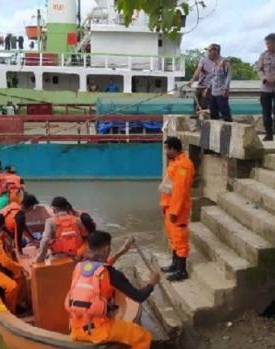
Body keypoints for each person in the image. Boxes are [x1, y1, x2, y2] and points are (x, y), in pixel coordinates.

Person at [65, 231, 159, 348]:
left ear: (88, 247)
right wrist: (152, 283)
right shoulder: (113, 275)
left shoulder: (79, 267)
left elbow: (99, 267)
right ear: (106, 249)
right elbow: (139, 297)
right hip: (97, 330)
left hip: (75, 327)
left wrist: (121, 252)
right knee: (144, 337)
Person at [159, 137, 195, 281]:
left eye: (167, 149)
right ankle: (175, 264)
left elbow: (180, 191)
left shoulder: (183, 166)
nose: (166, 151)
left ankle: (182, 270)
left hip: (177, 210)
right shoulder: (176, 162)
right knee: (173, 237)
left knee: (180, 239)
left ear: (174, 149)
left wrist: (174, 211)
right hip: (169, 207)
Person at [36, 196, 87, 262]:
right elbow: (84, 235)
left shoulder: (50, 221)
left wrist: (40, 258)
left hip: (58, 256)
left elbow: (45, 240)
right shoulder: (77, 220)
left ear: (53, 208)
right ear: (66, 207)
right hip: (76, 255)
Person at [204, 44, 233, 122]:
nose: (208, 53)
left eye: (210, 51)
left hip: (221, 92)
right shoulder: (213, 63)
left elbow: (228, 76)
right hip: (213, 92)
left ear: (216, 51)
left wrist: (226, 88)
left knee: (225, 113)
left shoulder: (224, 62)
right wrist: (208, 88)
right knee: (213, 113)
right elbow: (213, 77)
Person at [186, 47, 217, 112]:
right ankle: (197, 119)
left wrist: (207, 89)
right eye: (207, 51)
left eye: (209, 51)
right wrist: (192, 80)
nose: (207, 52)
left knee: (204, 107)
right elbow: (198, 70)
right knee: (196, 106)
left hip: (209, 88)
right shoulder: (203, 60)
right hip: (200, 86)